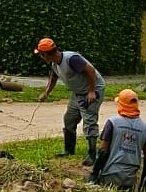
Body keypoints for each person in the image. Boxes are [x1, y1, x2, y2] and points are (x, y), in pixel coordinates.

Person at [34, 37, 105, 166]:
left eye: (41, 54)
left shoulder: (71, 59)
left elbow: (90, 70)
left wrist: (92, 91)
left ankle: (92, 154)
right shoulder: (55, 64)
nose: (41, 57)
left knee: (89, 121)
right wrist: (46, 93)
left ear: (46, 55)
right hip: (77, 93)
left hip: (92, 90)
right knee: (69, 119)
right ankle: (68, 150)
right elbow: (53, 78)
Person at [87, 89, 146, 192]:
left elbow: (103, 150)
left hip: (109, 175)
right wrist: (145, 182)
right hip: (130, 179)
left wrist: (94, 173)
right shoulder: (145, 128)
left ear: (121, 104)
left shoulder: (113, 122)